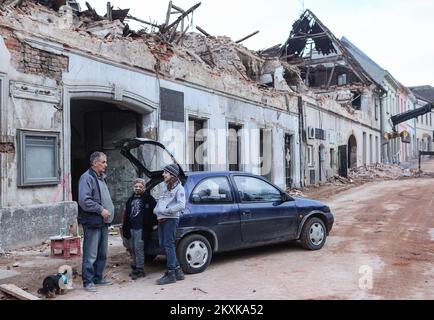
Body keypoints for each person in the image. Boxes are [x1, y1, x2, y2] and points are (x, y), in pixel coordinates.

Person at [78, 151, 114, 292]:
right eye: (103, 162)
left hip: (103, 222)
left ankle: (98, 277)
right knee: (91, 253)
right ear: (94, 163)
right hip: (93, 221)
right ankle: (88, 282)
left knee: (102, 253)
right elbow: (84, 201)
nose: (106, 164)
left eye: (105, 162)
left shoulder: (101, 178)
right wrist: (100, 210)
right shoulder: (86, 178)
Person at [153, 164, 186, 285]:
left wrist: (166, 212)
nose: (163, 174)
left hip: (171, 219)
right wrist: (157, 212)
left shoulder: (179, 188)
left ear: (172, 174)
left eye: (165, 172)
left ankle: (171, 273)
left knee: (168, 244)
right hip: (162, 219)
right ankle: (178, 271)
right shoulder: (165, 187)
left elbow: (181, 205)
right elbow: (160, 202)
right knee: (164, 244)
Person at [122, 178, 157, 280]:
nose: (138, 188)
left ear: (144, 188)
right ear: (133, 187)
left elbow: (155, 211)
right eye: (136, 186)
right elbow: (126, 216)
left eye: (140, 187)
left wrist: (154, 224)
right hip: (131, 228)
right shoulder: (130, 200)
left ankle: (140, 269)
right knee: (132, 248)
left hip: (142, 228)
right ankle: (135, 267)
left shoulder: (149, 199)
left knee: (139, 248)